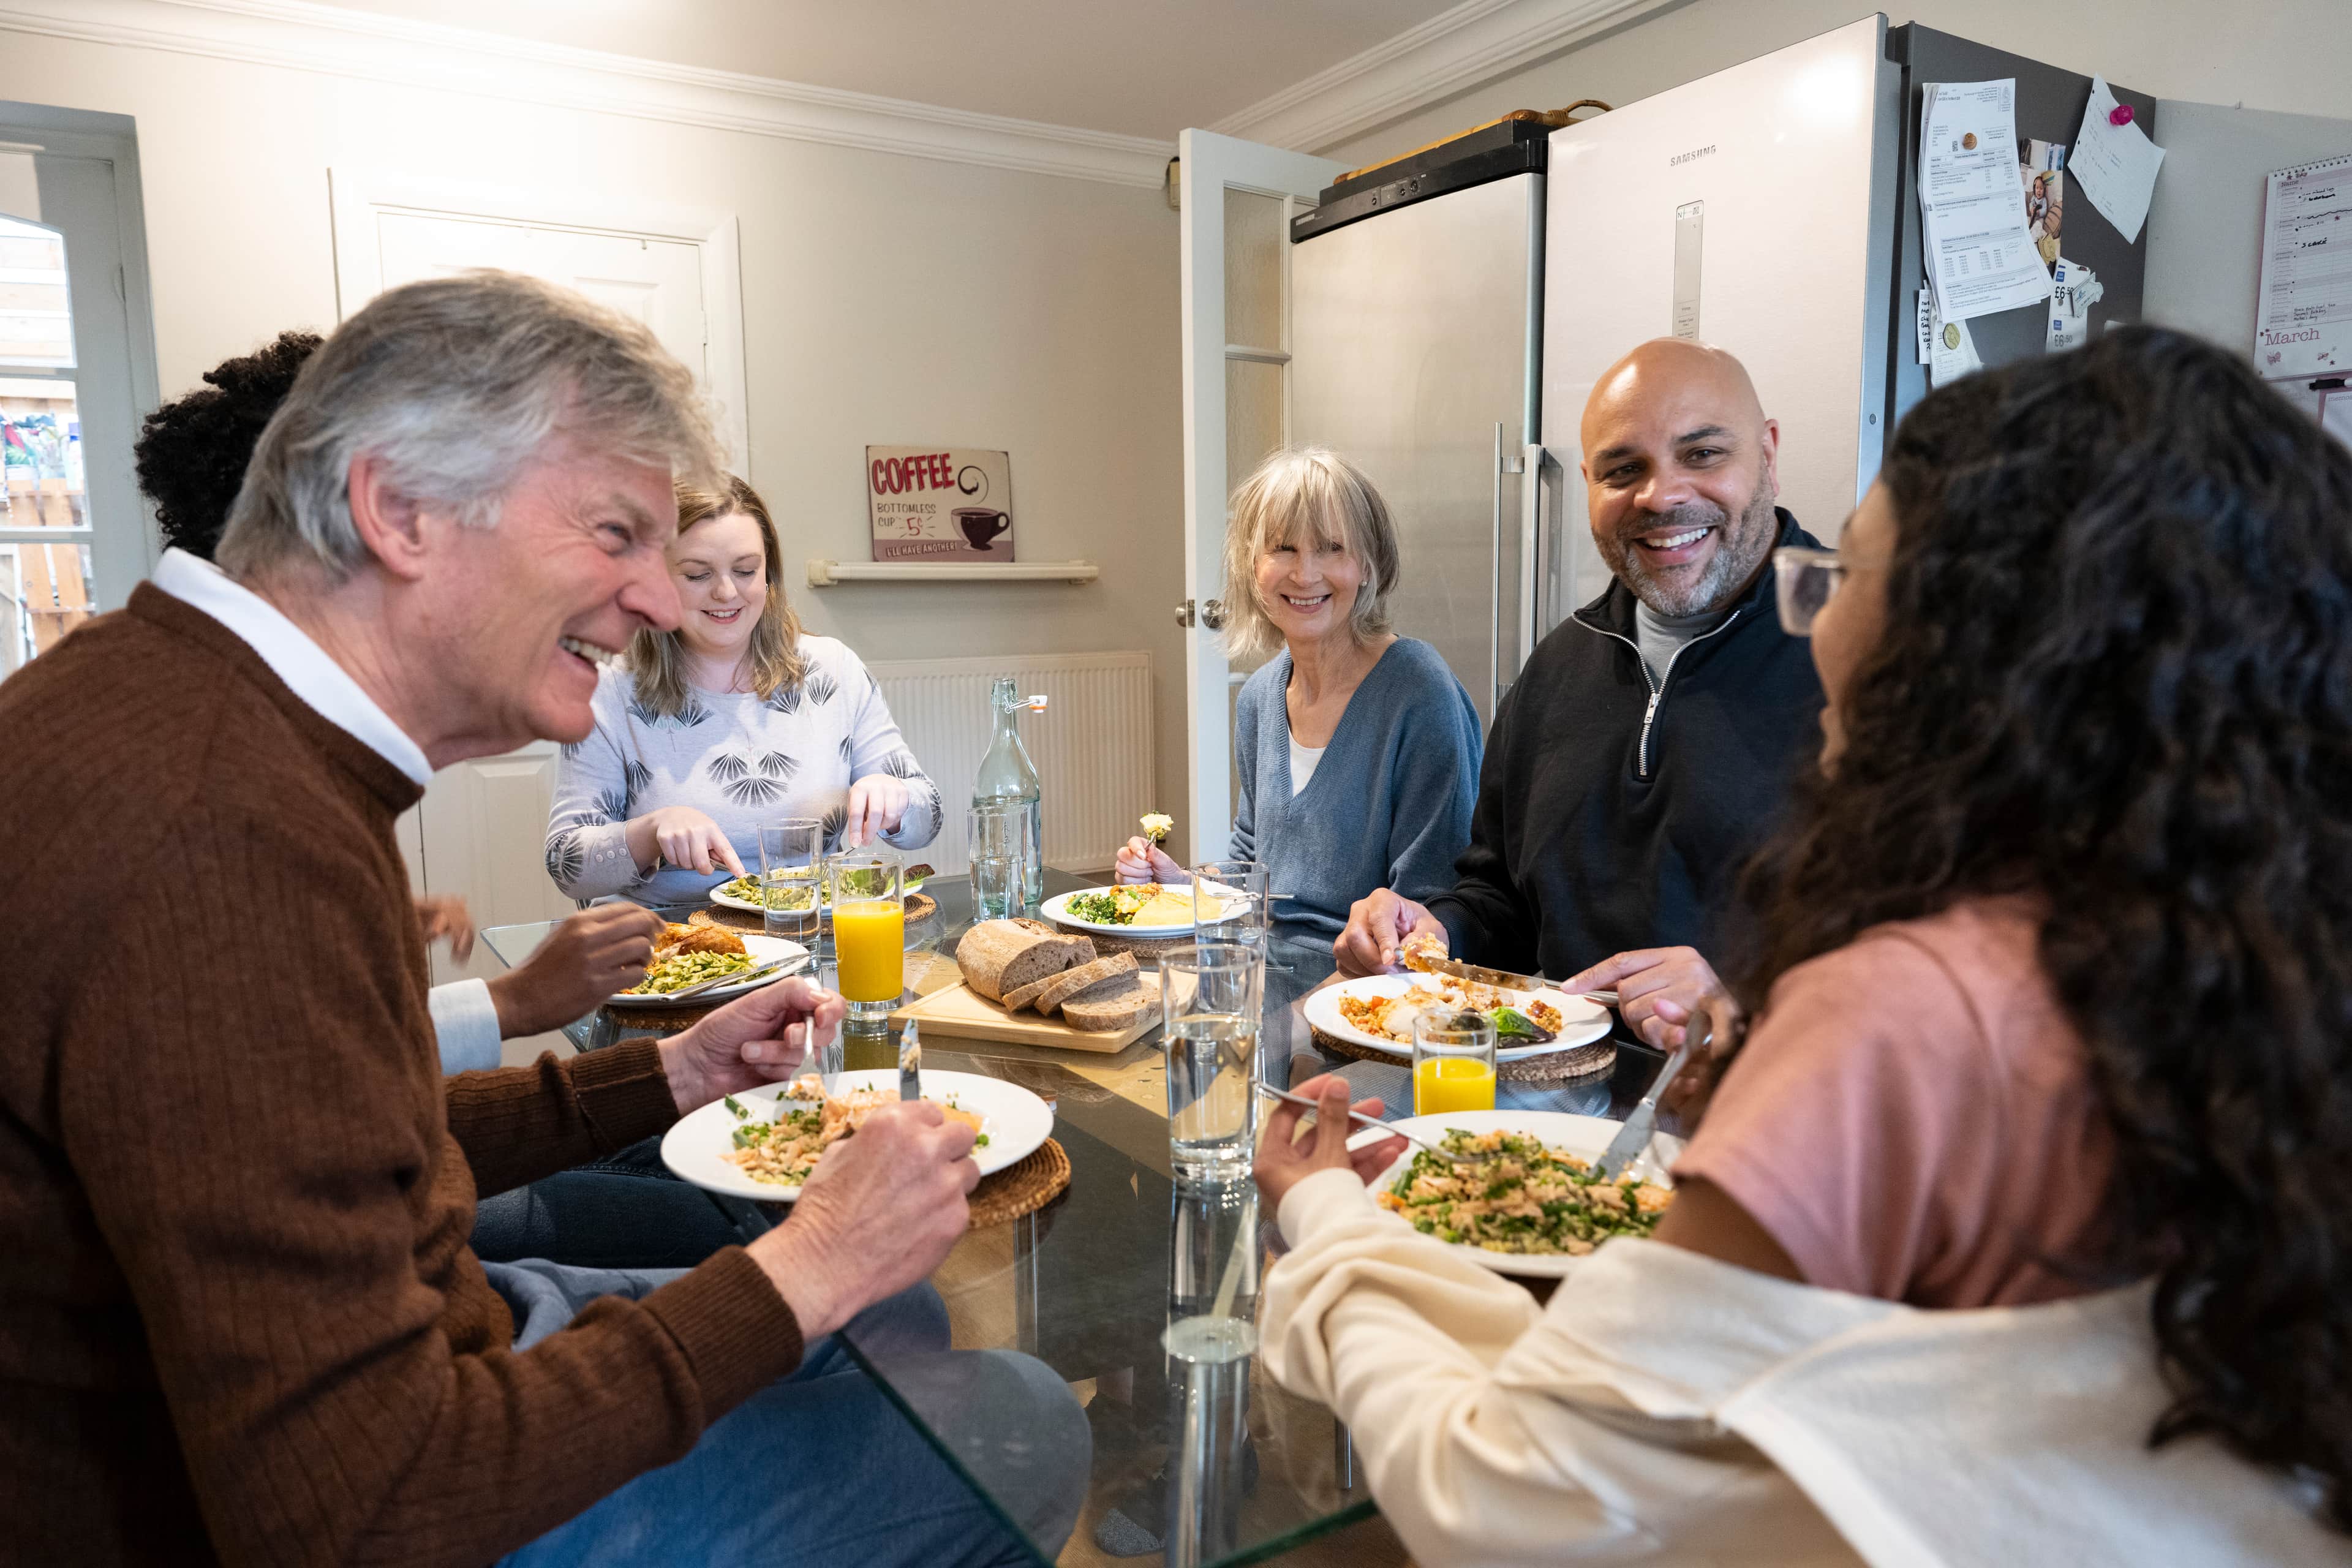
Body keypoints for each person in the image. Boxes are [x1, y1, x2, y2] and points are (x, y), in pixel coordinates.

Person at [0, 271, 1083, 1566]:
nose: (667, 603)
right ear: (397, 509)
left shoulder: (187, 717)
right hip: (365, 1483)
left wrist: (666, 1070)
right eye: (618, 534)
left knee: (896, 1330)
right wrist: (809, 1262)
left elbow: (343, 1136)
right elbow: (368, 1506)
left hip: (424, 1346)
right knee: (1017, 1421)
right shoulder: (215, 824)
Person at [1252, 328, 2352, 1564]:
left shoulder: (1902, 1008)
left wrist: (1334, 1218)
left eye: (1846, 580)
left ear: (1982, 637)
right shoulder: (2227, 952)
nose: (1819, 630)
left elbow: (1514, 1497)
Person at [132, 329, 661, 1071]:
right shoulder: (204, 774)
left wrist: (354, 925)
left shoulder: (226, 706)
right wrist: (509, 1004)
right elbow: (319, 1129)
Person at [1336, 338, 1825, 1049]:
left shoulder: (1879, 649)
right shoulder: (1559, 669)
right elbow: (1501, 896)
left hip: (1783, 1123)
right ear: (1590, 483)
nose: (1662, 495)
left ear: (1769, 453)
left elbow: (1964, 957)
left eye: (1703, 454)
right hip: (1562, 1116)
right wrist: (1435, 926)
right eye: (1625, 469)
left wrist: (1748, 993)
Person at [1112, 447, 1480, 987]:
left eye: (1332, 549)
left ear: (1369, 564)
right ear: (1251, 566)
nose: (1305, 574)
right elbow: (1254, 865)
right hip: (1262, 972)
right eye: (1282, 549)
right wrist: (1180, 882)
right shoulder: (1260, 696)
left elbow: (1426, 920)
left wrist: (1295, 1027)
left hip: (1368, 990)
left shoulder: (1420, 691)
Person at [546, 474, 941, 906]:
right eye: (697, 574)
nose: (726, 592)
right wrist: (651, 831)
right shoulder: (611, 691)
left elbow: (929, 817)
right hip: (670, 948)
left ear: (768, 574)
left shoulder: (834, 671)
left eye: (746, 570)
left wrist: (895, 797)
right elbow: (568, 864)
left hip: (812, 931)